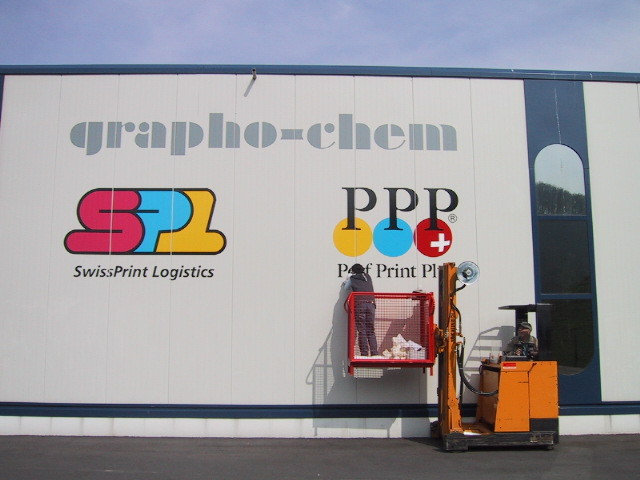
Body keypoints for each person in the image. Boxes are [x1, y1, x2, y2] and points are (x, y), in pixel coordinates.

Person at [343, 263, 378, 356]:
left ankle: (364, 353)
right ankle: (374, 352)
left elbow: (346, 288)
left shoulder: (352, 278)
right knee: (370, 329)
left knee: (362, 330)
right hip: (371, 304)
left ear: (353, 271)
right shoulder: (368, 277)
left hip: (360, 304)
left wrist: (348, 278)